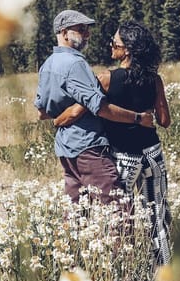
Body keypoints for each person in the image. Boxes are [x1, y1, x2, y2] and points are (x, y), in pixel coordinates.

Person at [55, 21, 173, 265]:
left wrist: (58, 118)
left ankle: (121, 271)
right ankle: (165, 272)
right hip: (152, 153)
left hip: (124, 158)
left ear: (127, 50)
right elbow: (164, 120)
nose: (111, 46)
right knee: (158, 214)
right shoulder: (155, 79)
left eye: (114, 43)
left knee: (119, 217)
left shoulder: (107, 78)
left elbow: (79, 110)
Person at [34, 10, 155, 206]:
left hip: (65, 149)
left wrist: (66, 114)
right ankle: (124, 239)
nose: (87, 34)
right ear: (64, 33)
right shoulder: (76, 64)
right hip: (89, 146)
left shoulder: (47, 65)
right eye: (81, 29)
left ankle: (74, 238)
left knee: (77, 211)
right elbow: (101, 107)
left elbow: (41, 112)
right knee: (117, 206)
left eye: (87, 29)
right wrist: (138, 118)